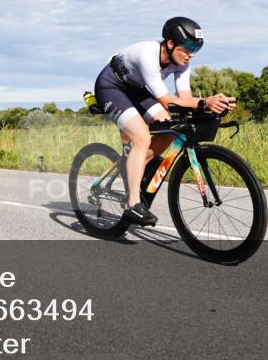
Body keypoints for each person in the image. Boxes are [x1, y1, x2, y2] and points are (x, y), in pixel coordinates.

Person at [93, 17, 236, 226]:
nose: (191, 54)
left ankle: (134, 165)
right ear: (170, 43)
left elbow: (185, 100)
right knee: (142, 137)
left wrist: (214, 105)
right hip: (110, 87)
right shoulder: (148, 55)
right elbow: (168, 101)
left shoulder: (182, 64)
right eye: (188, 48)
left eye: (196, 49)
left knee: (170, 128)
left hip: (136, 90)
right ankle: (132, 204)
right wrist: (206, 102)